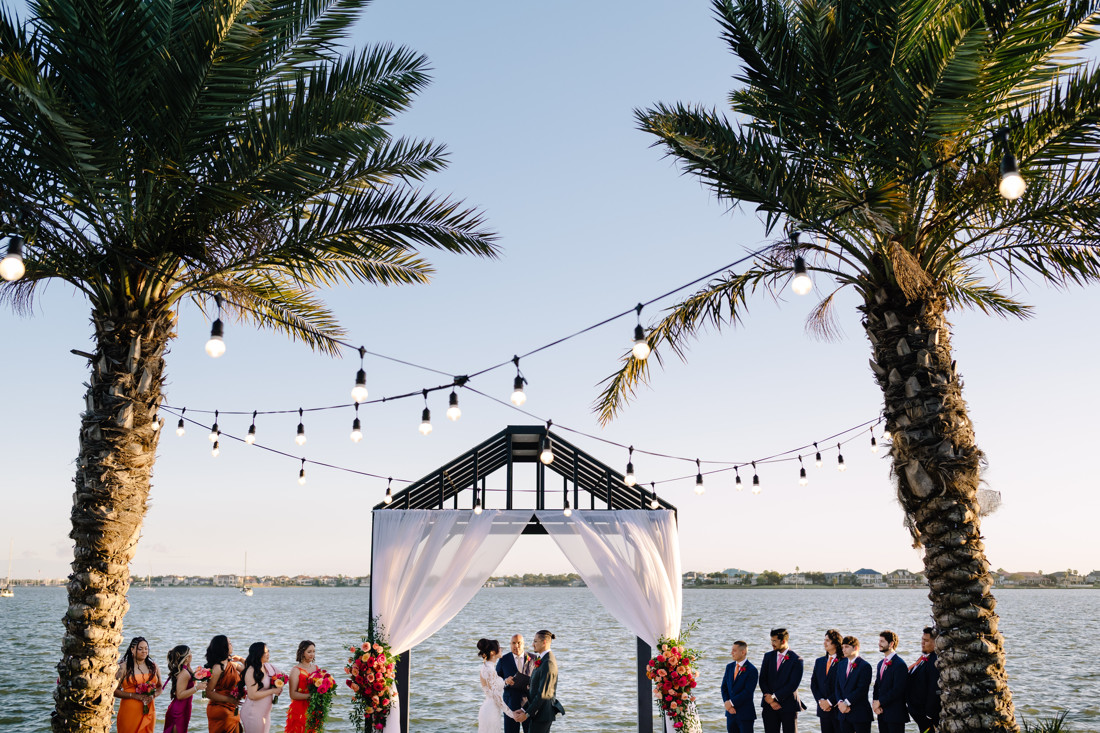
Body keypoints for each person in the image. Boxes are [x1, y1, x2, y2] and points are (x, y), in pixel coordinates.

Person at [516, 630, 565, 733]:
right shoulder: (542, 659)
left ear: (544, 642)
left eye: (535, 641)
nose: (533, 644)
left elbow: (543, 694)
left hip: (542, 714)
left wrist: (527, 714)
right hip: (538, 714)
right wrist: (524, 709)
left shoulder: (548, 663)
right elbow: (534, 690)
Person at [758, 628, 805, 733]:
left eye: (774, 641)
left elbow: (793, 685)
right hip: (769, 706)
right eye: (771, 640)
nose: (772, 643)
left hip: (788, 706)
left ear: (783, 641)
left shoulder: (796, 660)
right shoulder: (768, 656)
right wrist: (770, 700)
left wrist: (774, 697)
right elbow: (762, 679)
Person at [114, 636, 162, 733]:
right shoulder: (124, 667)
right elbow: (114, 691)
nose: (144, 651)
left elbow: (160, 687)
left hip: (148, 708)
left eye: (146, 648)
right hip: (129, 710)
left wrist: (153, 696)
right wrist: (134, 696)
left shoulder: (153, 667)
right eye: (140, 649)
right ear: (132, 649)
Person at [205, 635, 244, 733]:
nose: (232, 645)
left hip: (231, 706)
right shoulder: (218, 667)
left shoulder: (232, 665)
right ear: (223, 647)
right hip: (221, 708)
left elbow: (251, 672)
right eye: (229, 643)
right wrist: (230, 699)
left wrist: (241, 660)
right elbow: (208, 693)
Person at [239, 642, 281, 733]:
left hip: (265, 713)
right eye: (265, 652)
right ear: (258, 654)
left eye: (268, 651)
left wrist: (279, 686)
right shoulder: (251, 671)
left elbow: (283, 677)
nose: (268, 654)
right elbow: (252, 695)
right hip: (253, 713)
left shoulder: (268, 667)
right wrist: (272, 690)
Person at [164, 645, 206, 733]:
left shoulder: (186, 670)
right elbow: (179, 695)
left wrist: (199, 674)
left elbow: (189, 685)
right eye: (190, 653)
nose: (192, 655)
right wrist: (197, 688)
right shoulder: (184, 673)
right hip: (179, 711)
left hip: (184, 708)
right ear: (186, 658)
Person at [833, 636, 872, 733]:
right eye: (842, 647)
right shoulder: (841, 664)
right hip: (843, 714)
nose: (843, 650)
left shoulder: (865, 666)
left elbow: (861, 689)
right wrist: (840, 702)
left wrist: (846, 703)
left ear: (856, 648)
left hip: (860, 714)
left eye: (846, 647)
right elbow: (837, 686)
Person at [477, 639, 517, 732]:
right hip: (491, 711)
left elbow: (493, 686)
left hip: (491, 709)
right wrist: (512, 714)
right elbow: (496, 696)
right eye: (499, 648)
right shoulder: (489, 670)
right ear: (492, 653)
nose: (501, 649)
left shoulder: (488, 667)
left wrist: (505, 681)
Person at [871, 631, 908, 733]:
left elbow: (898, 689)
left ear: (891, 644)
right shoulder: (880, 664)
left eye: (882, 641)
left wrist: (880, 702)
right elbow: (877, 685)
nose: (879, 643)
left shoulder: (900, 664)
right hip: (881, 712)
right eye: (879, 641)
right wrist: (875, 704)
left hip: (895, 714)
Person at [497, 634, 533, 733]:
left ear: (523, 644)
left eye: (519, 643)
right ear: (510, 644)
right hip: (510, 705)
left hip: (529, 705)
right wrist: (505, 681)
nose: (516, 646)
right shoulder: (503, 659)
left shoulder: (534, 658)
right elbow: (496, 681)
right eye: (513, 643)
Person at [906, 628, 940, 733]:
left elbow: (933, 687)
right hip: (916, 711)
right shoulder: (924, 658)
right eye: (922, 640)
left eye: (926, 640)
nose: (922, 643)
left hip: (925, 713)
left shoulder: (935, 661)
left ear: (936, 642)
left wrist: (929, 713)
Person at [721, 640, 758, 733]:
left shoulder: (752, 670)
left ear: (743, 652)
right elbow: (724, 687)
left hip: (745, 714)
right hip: (730, 714)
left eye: (734, 650)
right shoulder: (729, 667)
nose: (731, 653)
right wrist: (727, 704)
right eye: (731, 650)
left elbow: (748, 692)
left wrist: (732, 703)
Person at [810, 630, 843, 733]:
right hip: (823, 710)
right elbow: (814, 684)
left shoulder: (844, 661)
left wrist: (829, 702)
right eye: (824, 640)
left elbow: (843, 686)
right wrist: (821, 701)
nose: (824, 643)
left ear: (836, 643)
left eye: (828, 640)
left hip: (838, 709)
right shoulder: (819, 661)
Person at [285, 640, 318, 733]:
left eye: (314, 651)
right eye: (309, 652)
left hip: (313, 707)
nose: (312, 654)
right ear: (302, 653)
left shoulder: (316, 668)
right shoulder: (295, 670)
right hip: (299, 709)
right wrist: (311, 696)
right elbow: (292, 694)